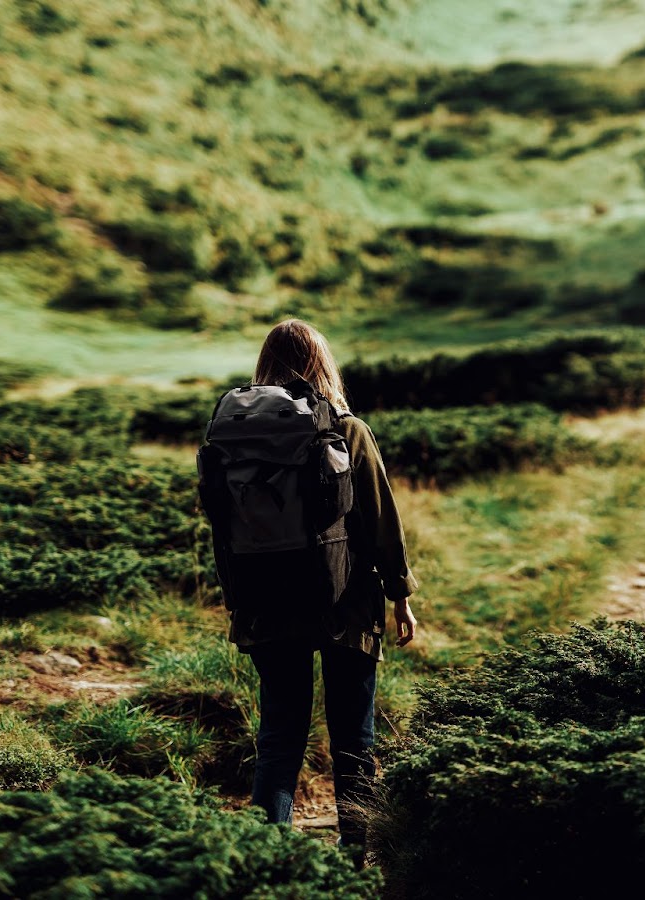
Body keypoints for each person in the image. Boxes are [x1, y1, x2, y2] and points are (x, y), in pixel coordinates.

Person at [202, 318, 419, 849]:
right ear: (322, 363)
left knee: (279, 738)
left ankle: (268, 855)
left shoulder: (229, 436)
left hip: (265, 605)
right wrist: (400, 596)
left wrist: (238, 603)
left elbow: (221, 530)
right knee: (353, 740)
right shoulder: (347, 430)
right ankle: (356, 858)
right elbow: (380, 520)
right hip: (343, 600)